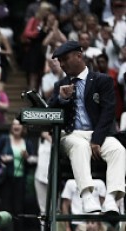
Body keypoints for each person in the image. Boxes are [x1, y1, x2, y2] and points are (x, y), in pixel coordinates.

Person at [48, 40, 126, 214]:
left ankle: (112, 199)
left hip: (98, 133)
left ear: (79, 55)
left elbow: (108, 112)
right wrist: (62, 99)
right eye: (59, 61)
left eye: (65, 59)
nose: (62, 64)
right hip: (70, 135)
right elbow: (50, 114)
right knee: (80, 146)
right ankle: (87, 196)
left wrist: (97, 140)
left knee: (118, 150)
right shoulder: (59, 85)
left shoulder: (102, 80)